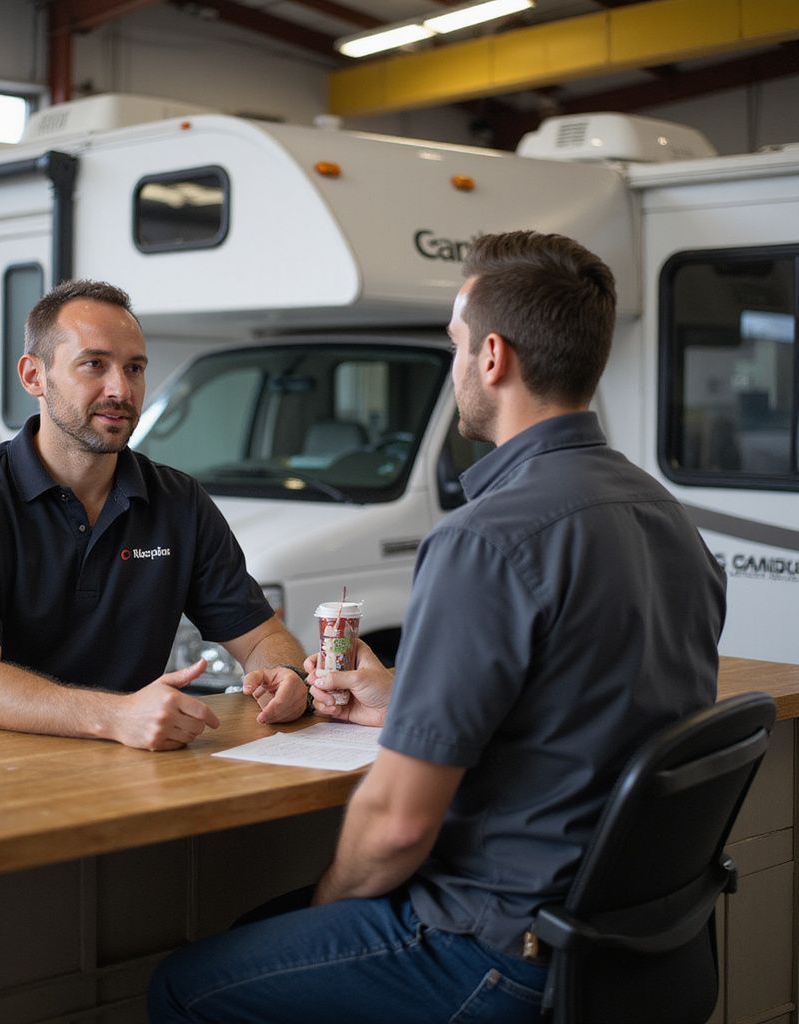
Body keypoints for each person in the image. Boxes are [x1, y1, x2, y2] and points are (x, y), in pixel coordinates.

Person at [147, 231, 727, 1022]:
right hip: (630, 944)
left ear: (492, 357)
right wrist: (406, 697)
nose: (456, 365)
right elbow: (589, 711)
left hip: (493, 951)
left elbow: (395, 826)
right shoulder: (668, 516)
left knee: (185, 986)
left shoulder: (485, 538)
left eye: (455, 344)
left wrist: (325, 913)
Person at [0, 279, 308, 748]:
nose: (120, 389)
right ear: (33, 376)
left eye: (135, 368)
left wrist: (284, 675)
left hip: (122, 758)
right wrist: (117, 716)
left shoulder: (179, 502)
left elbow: (263, 638)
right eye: (94, 364)